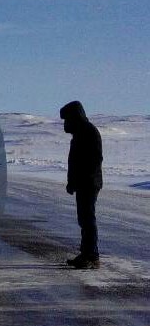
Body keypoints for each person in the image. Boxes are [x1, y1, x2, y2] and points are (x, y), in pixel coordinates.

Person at [59, 101, 103, 268]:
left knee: (87, 219)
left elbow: (94, 160)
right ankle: (87, 253)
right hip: (84, 183)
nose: (65, 124)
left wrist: (85, 180)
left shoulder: (89, 132)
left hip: (89, 183)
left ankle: (92, 256)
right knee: (84, 219)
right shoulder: (79, 133)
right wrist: (72, 182)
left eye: (67, 119)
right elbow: (75, 162)